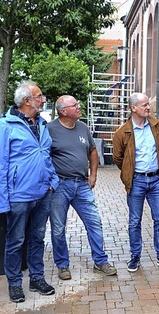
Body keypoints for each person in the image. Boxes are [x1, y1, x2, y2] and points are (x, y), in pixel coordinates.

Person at [0, 81, 59, 303]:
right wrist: (3, 201)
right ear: (27, 100)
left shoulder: (41, 123)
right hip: (18, 196)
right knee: (15, 241)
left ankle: (37, 278)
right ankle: (15, 283)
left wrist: (53, 182)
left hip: (42, 194)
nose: (43, 99)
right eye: (39, 96)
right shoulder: (5, 125)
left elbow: (46, 155)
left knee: (37, 238)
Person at [48, 95, 117, 280]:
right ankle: (62, 265)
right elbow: (43, 157)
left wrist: (93, 174)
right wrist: (49, 182)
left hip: (82, 184)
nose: (79, 107)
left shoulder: (83, 127)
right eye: (75, 105)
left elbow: (92, 151)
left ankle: (100, 261)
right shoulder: (50, 130)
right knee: (58, 227)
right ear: (63, 111)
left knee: (94, 222)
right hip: (60, 186)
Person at [112, 92, 159, 272]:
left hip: (156, 180)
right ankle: (135, 256)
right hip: (136, 181)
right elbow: (118, 158)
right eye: (144, 105)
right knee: (134, 220)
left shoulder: (157, 126)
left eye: (148, 104)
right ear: (134, 108)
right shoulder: (122, 132)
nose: (148, 107)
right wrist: (128, 173)